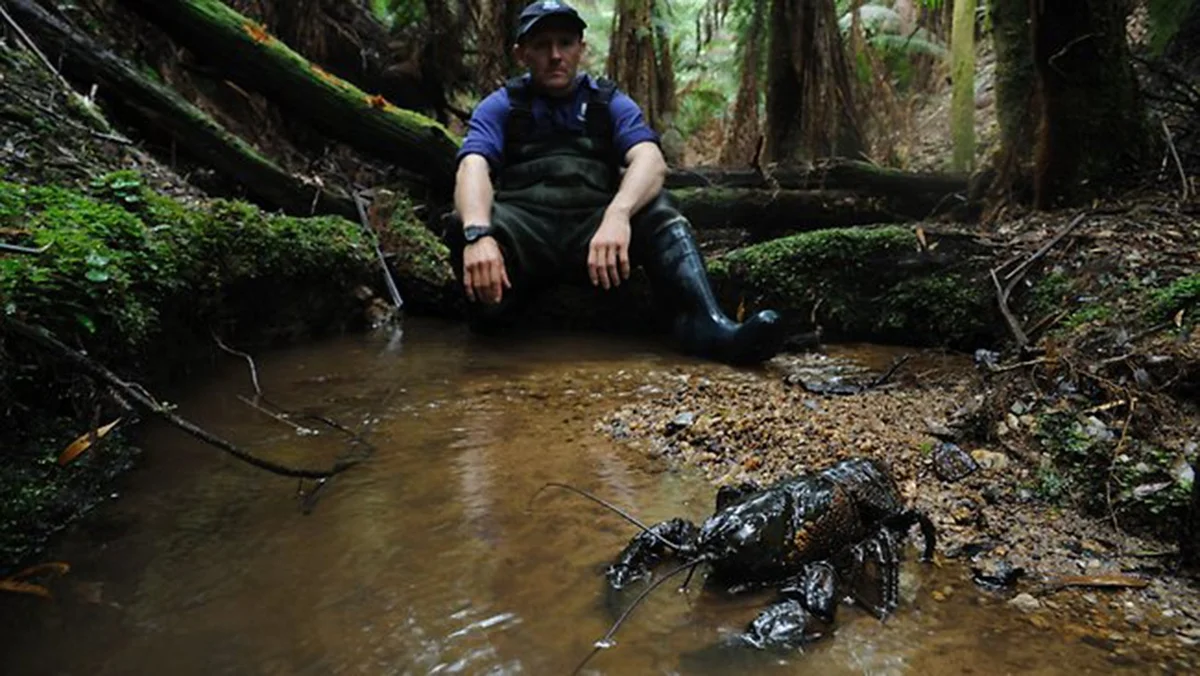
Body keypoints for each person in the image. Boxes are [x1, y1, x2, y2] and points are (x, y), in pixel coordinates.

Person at [446, 0, 784, 365]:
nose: (555, 55)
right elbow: (473, 165)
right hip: (526, 233)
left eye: (565, 43)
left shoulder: (608, 102)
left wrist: (618, 214)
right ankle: (494, 315)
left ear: (581, 49)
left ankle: (705, 323)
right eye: (542, 45)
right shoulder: (500, 105)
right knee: (464, 222)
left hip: (594, 238)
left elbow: (650, 160)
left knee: (660, 209)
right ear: (521, 54)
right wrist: (477, 235)